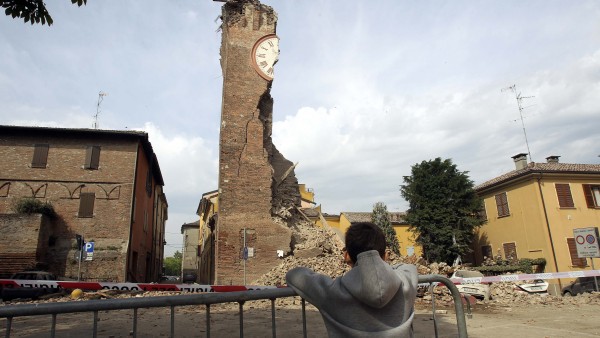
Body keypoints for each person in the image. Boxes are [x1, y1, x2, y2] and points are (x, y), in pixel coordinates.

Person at [286, 222, 418, 337]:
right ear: (384, 255)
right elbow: (407, 266)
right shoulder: (406, 280)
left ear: (347, 255)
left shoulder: (332, 292)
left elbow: (294, 275)